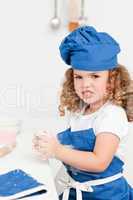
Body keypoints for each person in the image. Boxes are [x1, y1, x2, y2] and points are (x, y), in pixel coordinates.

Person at [33, 26, 133, 200]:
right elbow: (74, 148)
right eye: (79, 77)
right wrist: (49, 144)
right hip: (76, 191)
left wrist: (56, 150)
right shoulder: (80, 110)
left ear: (112, 79)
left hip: (107, 195)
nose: (85, 84)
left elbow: (99, 162)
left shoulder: (111, 115)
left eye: (94, 76)